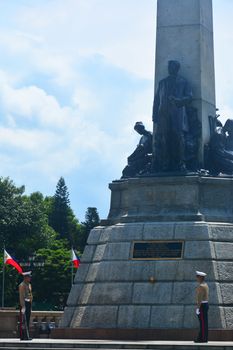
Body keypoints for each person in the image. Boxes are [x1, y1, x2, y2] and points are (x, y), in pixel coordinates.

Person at [152, 60, 193, 172]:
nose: (170, 68)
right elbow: (156, 101)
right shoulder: (162, 83)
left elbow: (189, 97)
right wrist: (154, 116)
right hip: (163, 115)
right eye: (169, 66)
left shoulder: (183, 82)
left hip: (178, 114)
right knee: (163, 139)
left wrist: (179, 100)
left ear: (177, 68)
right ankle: (165, 164)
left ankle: (181, 163)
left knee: (179, 138)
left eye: (172, 66)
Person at [194, 271, 209, 343]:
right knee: (204, 323)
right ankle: (201, 337)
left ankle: (203, 339)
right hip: (205, 305)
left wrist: (197, 308)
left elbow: (199, 298)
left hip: (202, 306)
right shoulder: (205, 285)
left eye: (197, 276)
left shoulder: (201, 286)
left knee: (203, 323)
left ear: (201, 277)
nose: (196, 278)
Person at [19, 271, 33, 340]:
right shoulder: (22, 285)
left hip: (28, 303)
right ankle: (23, 336)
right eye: (29, 277)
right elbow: (22, 296)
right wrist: (23, 306)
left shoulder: (29, 285)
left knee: (27, 320)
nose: (30, 278)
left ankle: (27, 336)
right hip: (24, 303)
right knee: (23, 320)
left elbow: (30, 294)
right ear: (25, 277)